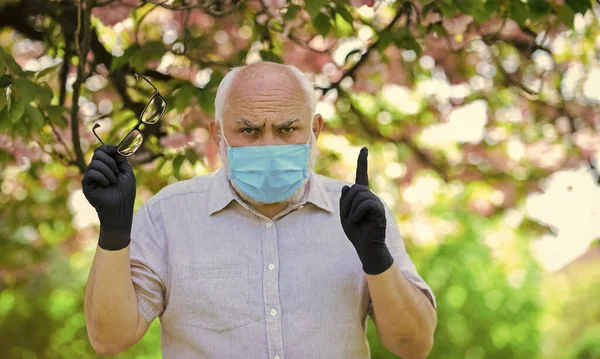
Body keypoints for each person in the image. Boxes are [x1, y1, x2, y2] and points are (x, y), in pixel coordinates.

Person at [82, 62, 437, 359]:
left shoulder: (361, 215)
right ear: (218, 133)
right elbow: (110, 339)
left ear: (315, 129)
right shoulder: (167, 217)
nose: (268, 144)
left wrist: (376, 258)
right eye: (248, 130)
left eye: (287, 129)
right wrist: (113, 232)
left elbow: (414, 345)